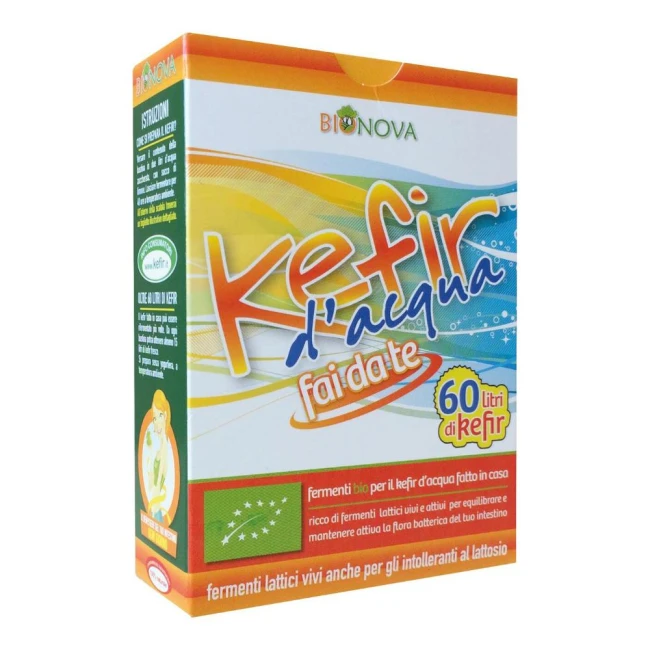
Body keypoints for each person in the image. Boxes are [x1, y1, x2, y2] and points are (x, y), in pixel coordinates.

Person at [146, 389, 171, 524]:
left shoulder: (164, 447)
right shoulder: (160, 444)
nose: (156, 421)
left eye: (159, 415)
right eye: (154, 418)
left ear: (165, 415)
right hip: (154, 505)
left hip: (156, 506)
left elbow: (158, 479)